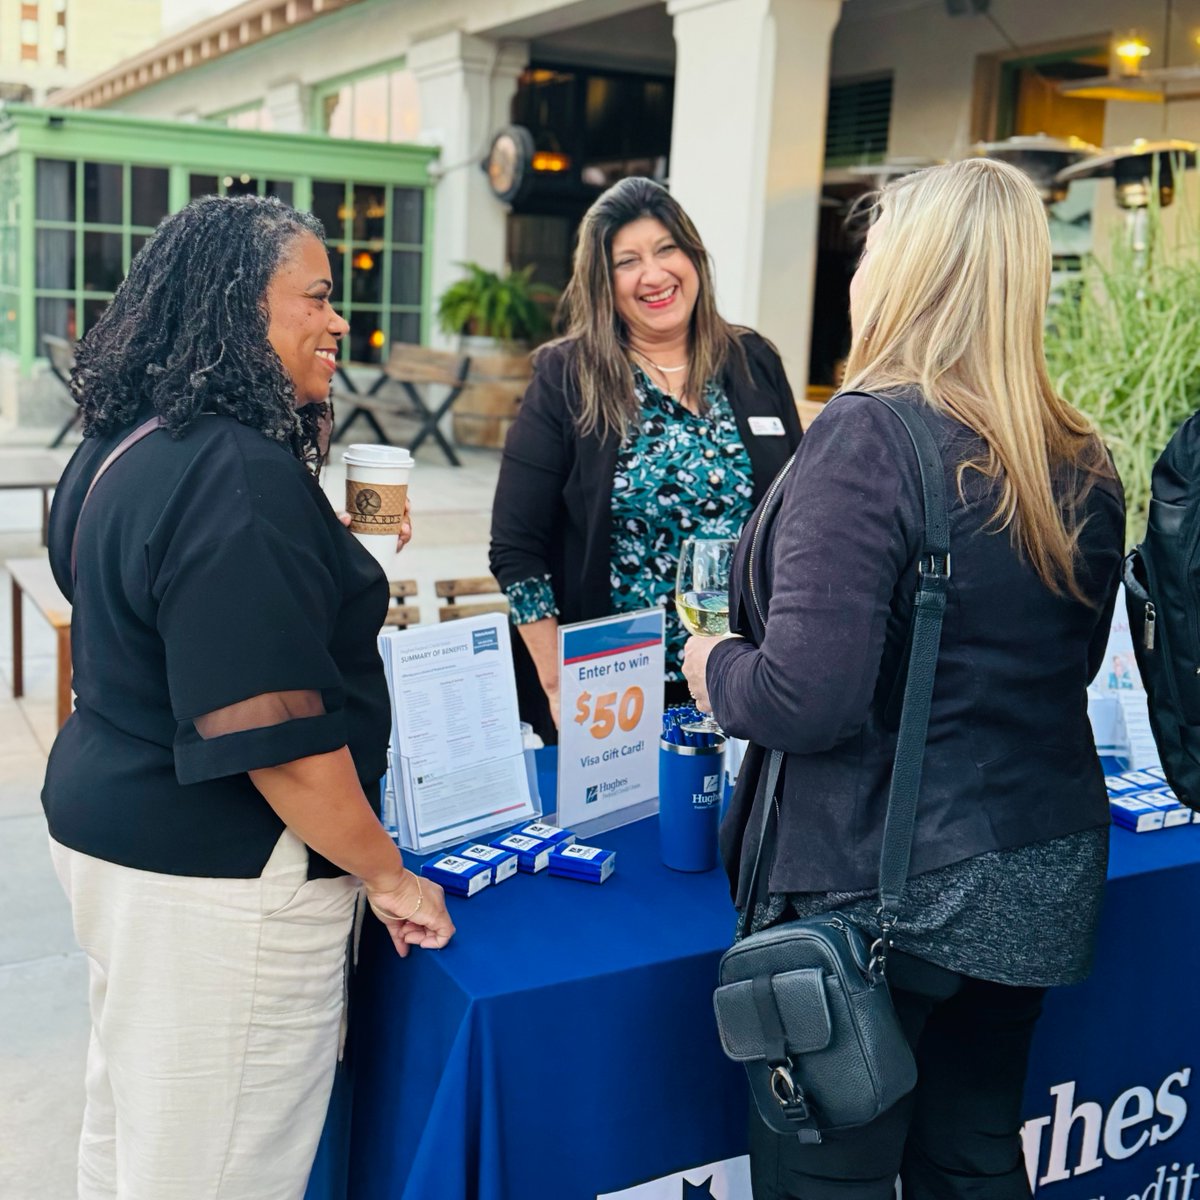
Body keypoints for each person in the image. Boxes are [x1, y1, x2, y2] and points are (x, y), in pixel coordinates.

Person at [683, 159, 1125, 1198]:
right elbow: (1069, 664)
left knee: (824, 1181)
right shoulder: (1079, 455)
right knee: (969, 1162)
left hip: (880, 890)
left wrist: (713, 666)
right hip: (1038, 874)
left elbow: (806, 697)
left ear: (905, 272)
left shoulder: (868, 433)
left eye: (873, 245)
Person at [42, 194, 455, 1200]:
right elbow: (276, 736)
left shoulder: (126, 441)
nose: (337, 321)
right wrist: (388, 875)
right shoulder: (234, 470)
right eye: (315, 297)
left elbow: (189, 617)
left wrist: (331, 560)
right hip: (218, 885)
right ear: (236, 307)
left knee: (138, 1139)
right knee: (216, 1171)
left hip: (122, 844)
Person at [489, 176, 802, 743]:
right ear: (603, 284)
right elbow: (516, 548)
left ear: (693, 258)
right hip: (613, 689)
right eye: (627, 261)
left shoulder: (754, 362)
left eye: (666, 250)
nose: (654, 275)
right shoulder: (568, 375)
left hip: (745, 677)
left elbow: (797, 516)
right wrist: (557, 683)